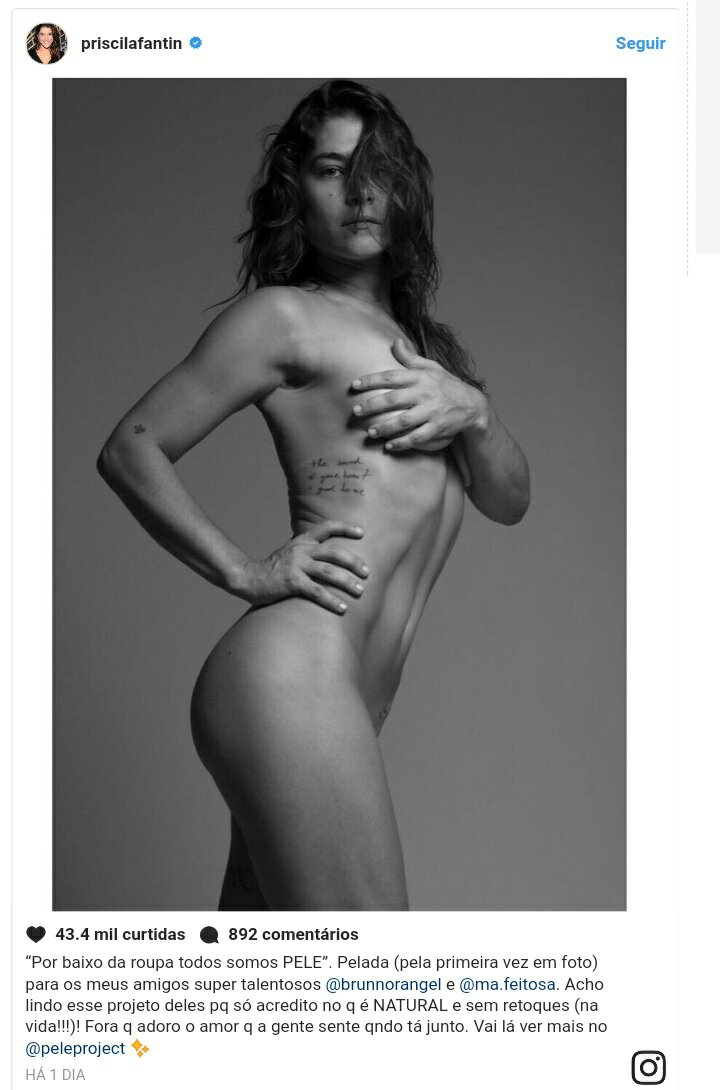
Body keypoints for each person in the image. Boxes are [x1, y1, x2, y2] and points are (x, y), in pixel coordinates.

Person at [98, 80, 530, 911]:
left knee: (269, 979)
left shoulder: (427, 360)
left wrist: (474, 409)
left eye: (378, 170)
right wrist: (244, 571)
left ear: (404, 188)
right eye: (333, 170)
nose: (360, 191)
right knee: (366, 977)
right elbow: (131, 448)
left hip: (342, 701)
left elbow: (509, 499)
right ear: (297, 189)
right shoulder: (286, 319)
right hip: (293, 680)